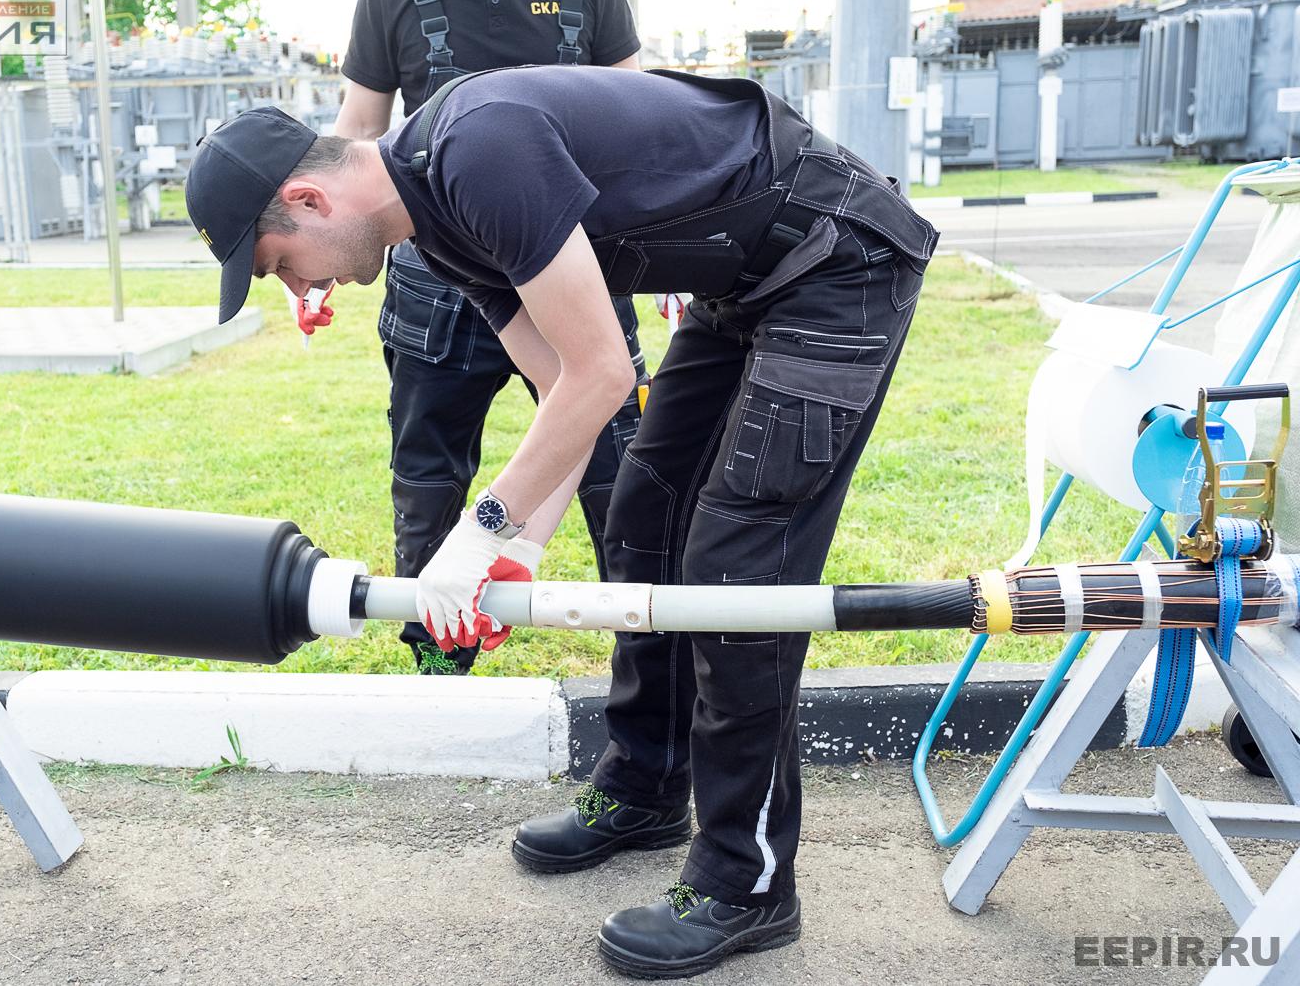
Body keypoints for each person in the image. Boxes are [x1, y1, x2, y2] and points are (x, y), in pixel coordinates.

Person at [182, 64, 937, 978]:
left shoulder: (479, 148)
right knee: (643, 517)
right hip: (745, 283)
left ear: (305, 197)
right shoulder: (437, 224)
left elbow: (602, 377)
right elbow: (559, 387)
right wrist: (520, 548)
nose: (305, 290)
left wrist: (479, 525)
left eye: (279, 264)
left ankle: (749, 880)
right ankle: (649, 784)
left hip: (834, 258)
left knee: (737, 571)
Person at [334, 0, 649, 676]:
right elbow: (359, 130)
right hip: (438, 288)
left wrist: (658, 268)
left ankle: (651, 698)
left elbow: (636, 117)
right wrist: (330, 248)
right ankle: (442, 678)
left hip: (576, 273)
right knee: (428, 497)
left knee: (630, 494)